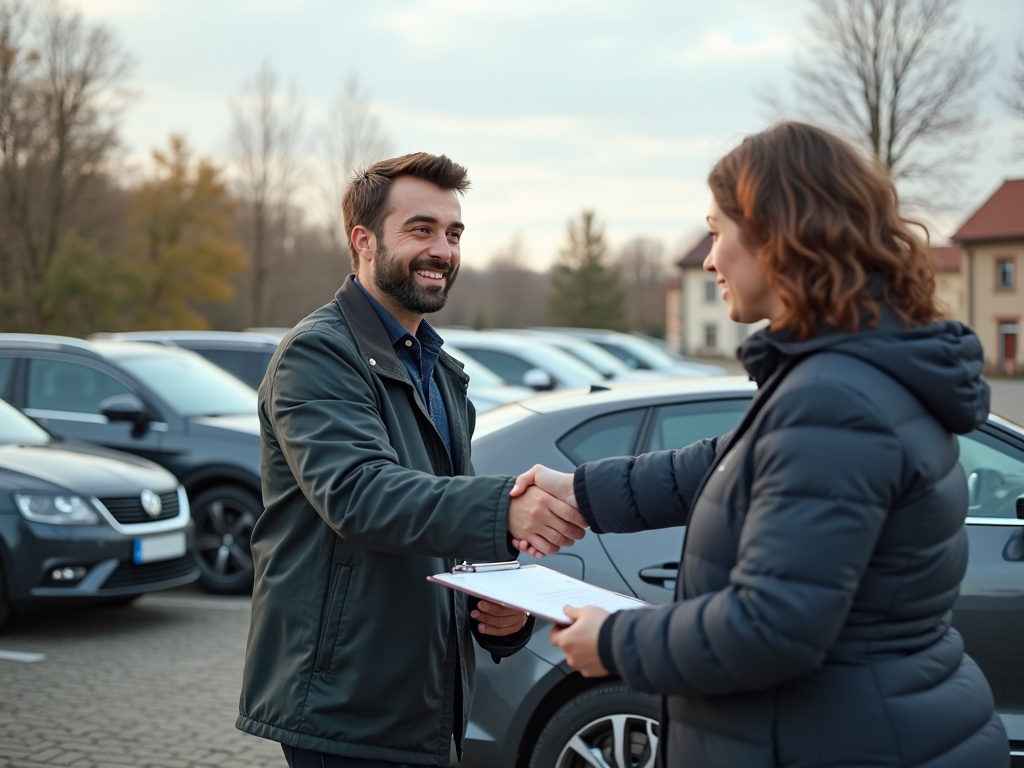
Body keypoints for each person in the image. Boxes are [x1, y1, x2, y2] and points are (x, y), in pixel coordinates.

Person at [511, 122, 1009, 767]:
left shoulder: (838, 399)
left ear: (780, 236)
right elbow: (726, 464)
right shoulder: (844, 373)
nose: (710, 258)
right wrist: (580, 492)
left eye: (718, 231)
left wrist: (614, 641)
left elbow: (772, 628)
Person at [236, 152, 588, 768]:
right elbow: (360, 494)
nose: (443, 250)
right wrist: (507, 508)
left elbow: (442, 528)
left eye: (453, 234)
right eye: (421, 229)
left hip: (426, 701)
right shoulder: (317, 355)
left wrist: (496, 614)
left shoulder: (439, 372)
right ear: (363, 241)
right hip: (343, 702)